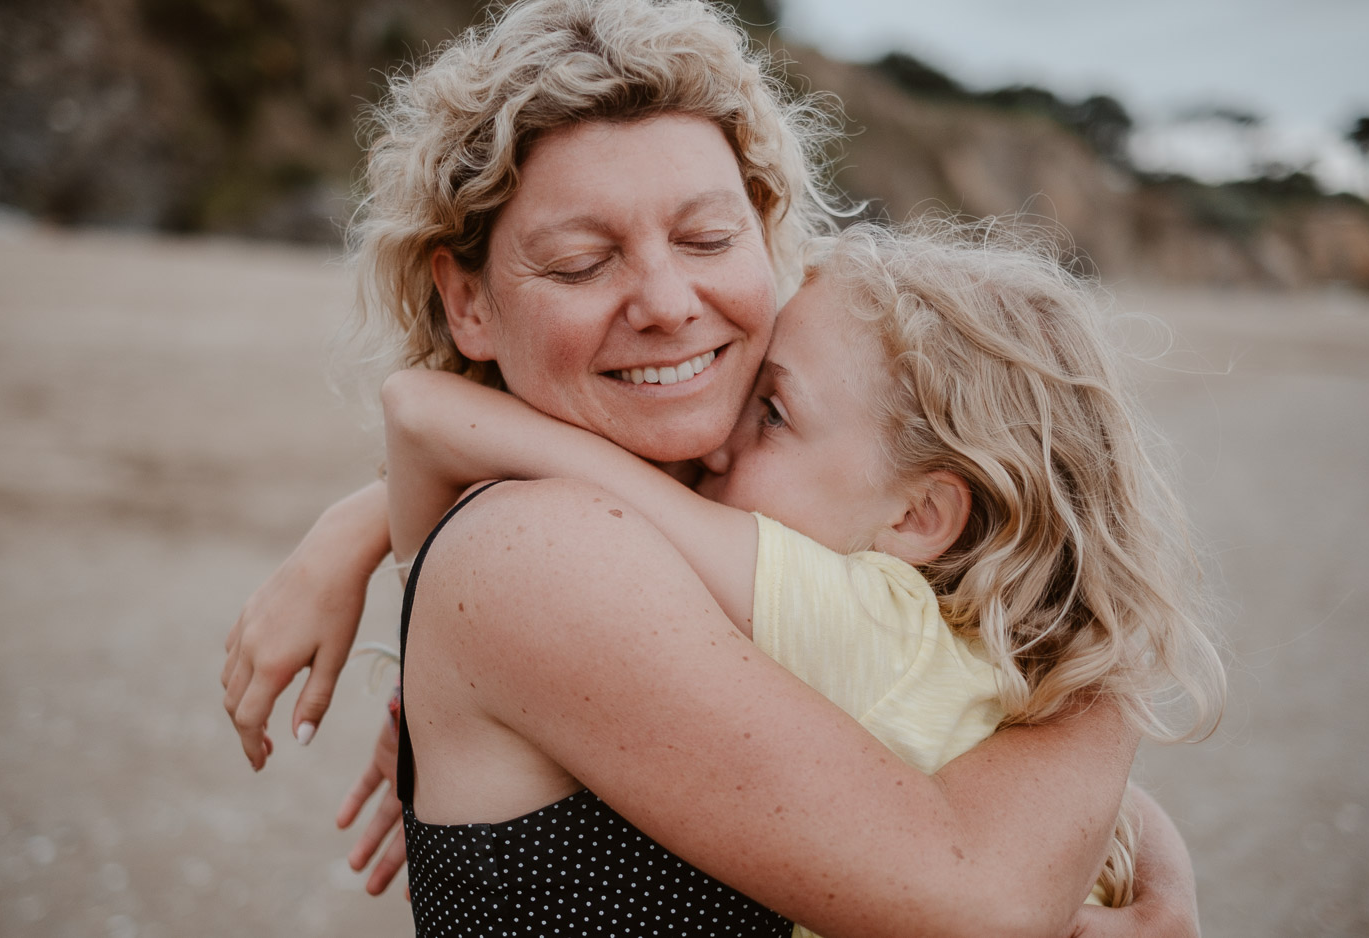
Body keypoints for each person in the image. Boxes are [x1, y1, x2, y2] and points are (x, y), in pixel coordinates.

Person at [219, 0, 1210, 933]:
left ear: (768, 234)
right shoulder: (536, 551)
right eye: (578, 261)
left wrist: (1155, 867)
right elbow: (979, 891)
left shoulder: (733, 516)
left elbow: (951, 728)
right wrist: (1104, 654)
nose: (665, 300)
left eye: (707, 236)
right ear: (466, 301)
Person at [378, 217, 1226, 926]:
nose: (716, 442)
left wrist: (437, 420)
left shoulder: (874, 617)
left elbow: (646, 510)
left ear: (919, 517)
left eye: (772, 411)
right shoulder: (978, 651)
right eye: (580, 261)